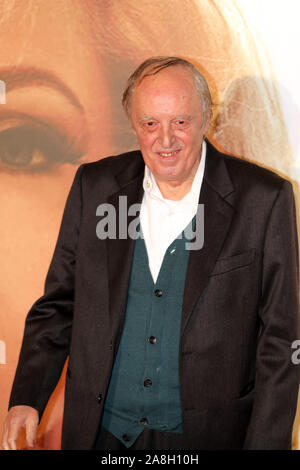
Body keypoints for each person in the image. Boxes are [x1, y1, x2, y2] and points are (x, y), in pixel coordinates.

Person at [2, 56, 299, 450]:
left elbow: (282, 340)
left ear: (206, 118)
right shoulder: (95, 187)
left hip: (207, 438)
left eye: (180, 121)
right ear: (134, 125)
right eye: (150, 124)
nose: (166, 140)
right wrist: (27, 396)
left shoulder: (264, 198)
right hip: (100, 434)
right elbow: (59, 304)